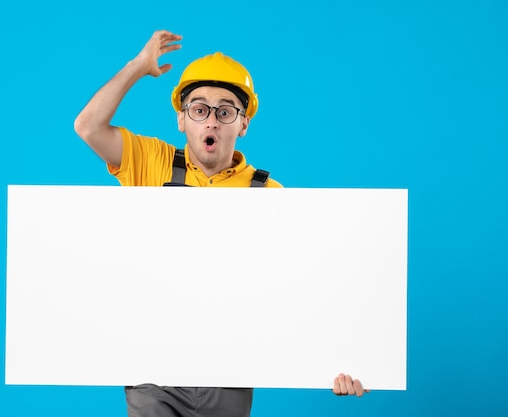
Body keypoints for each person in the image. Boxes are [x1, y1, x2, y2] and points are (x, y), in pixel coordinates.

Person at [74, 30, 368, 417]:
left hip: (229, 372)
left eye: (225, 111)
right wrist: (137, 68)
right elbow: (88, 128)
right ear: (182, 119)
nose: (211, 121)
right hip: (154, 372)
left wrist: (339, 364)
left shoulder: (271, 195)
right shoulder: (150, 162)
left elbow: (307, 287)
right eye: (199, 109)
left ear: (243, 124)